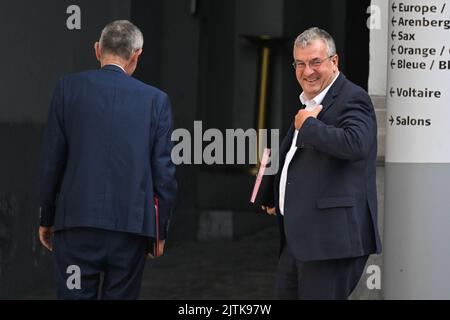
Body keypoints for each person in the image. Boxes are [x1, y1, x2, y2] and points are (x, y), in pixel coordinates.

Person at [38, 20, 177, 299]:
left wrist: (47, 217)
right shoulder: (156, 101)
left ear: (97, 49)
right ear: (137, 54)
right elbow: (164, 173)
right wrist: (159, 232)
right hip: (130, 229)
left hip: (76, 225)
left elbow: (52, 161)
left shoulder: (68, 89)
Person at [262, 27, 381, 299]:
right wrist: (275, 191)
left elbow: (356, 144)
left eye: (315, 62)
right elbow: (299, 158)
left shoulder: (353, 97)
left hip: (331, 242)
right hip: (300, 239)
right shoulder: (310, 102)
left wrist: (310, 126)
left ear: (334, 61)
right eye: (300, 64)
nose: (308, 71)